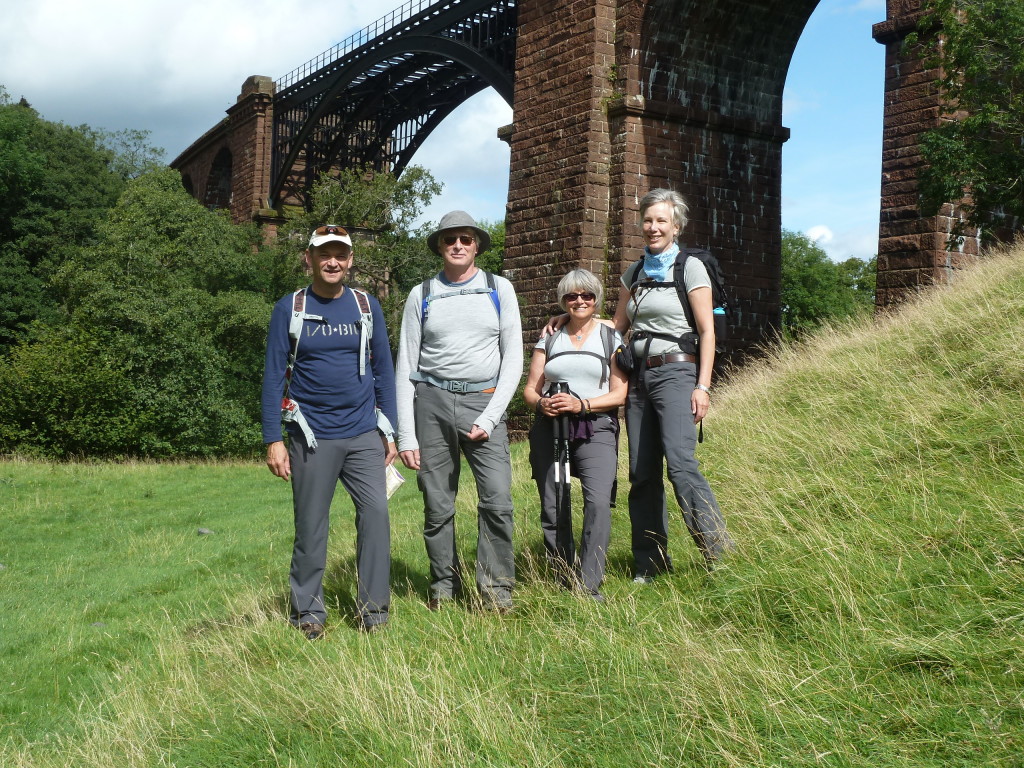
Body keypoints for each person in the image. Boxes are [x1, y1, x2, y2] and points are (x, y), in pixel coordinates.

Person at [261, 224, 398, 638]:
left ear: (351, 259)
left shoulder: (366, 305)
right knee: (311, 525)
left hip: (362, 434)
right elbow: (272, 378)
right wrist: (273, 440)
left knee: (376, 517)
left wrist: (390, 431)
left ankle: (374, 612)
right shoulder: (291, 307)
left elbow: (383, 372)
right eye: (324, 254)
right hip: (311, 436)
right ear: (310, 258)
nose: (333, 261)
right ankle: (309, 613)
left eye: (340, 254)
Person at [395, 211, 523, 613]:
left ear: (477, 245)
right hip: (430, 404)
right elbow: (406, 365)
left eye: (465, 239)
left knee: (498, 501)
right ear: (439, 245)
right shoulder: (422, 293)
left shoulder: (498, 289)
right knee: (437, 505)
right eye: (450, 239)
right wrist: (406, 434)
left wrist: (489, 417)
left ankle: (496, 591)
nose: (458, 245)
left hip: (483, 401)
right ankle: (443, 587)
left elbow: (514, 358)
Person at [523, 268, 627, 601]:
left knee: (596, 502)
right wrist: (542, 404)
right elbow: (529, 388)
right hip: (550, 429)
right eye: (571, 296)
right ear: (562, 301)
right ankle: (562, 574)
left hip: (595, 426)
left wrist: (582, 403)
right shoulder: (550, 336)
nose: (579, 301)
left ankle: (589, 584)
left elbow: (620, 393)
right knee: (554, 504)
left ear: (596, 299)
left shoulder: (611, 337)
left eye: (586, 295)